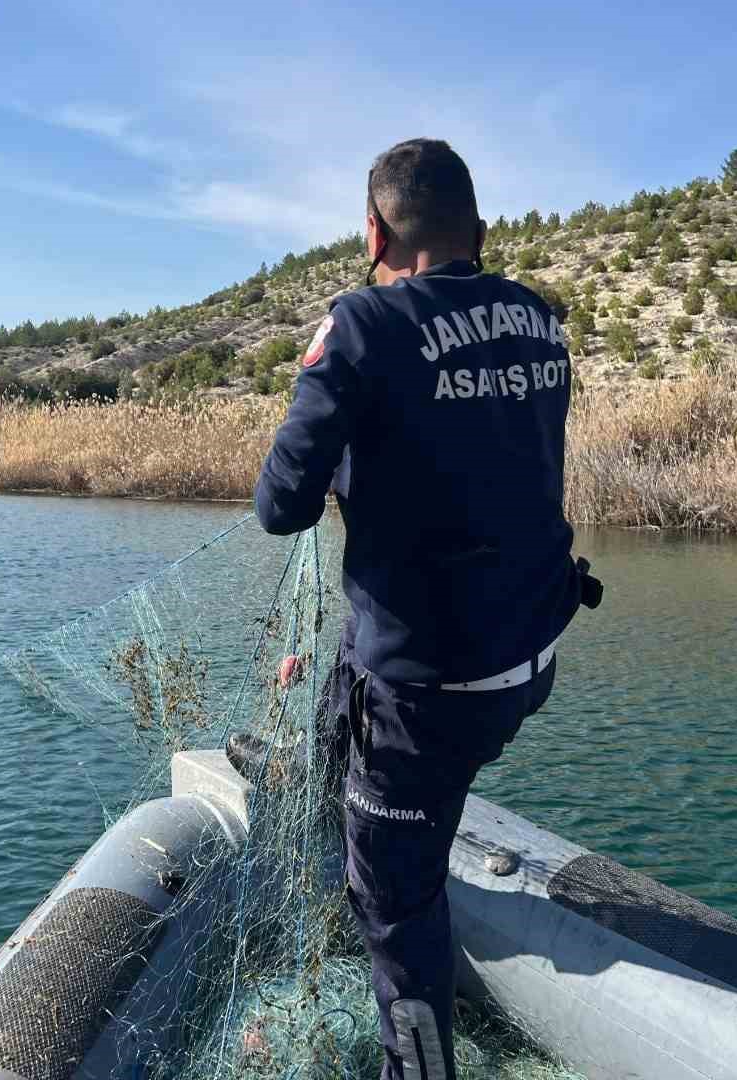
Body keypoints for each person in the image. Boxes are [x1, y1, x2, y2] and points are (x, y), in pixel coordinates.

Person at [253, 138, 600, 1080]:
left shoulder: (361, 326)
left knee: (396, 906)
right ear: (479, 229)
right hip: (530, 653)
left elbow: (280, 506)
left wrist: (325, 384)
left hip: (429, 690)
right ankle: (344, 797)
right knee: (347, 695)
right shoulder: (538, 319)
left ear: (373, 230)